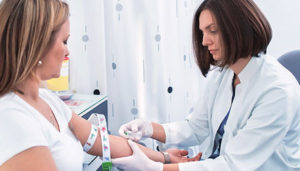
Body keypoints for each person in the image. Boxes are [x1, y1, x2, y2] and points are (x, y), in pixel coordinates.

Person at [0, 0, 201, 170]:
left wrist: (164, 160)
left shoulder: (47, 100)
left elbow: (106, 142)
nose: (68, 52)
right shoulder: (12, 116)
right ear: (38, 44)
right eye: (65, 41)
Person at [114, 0, 300, 170]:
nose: (204, 41)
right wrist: (149, 128)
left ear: (240, 27)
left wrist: (155, 168)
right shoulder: (226, 72)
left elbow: (233, 165)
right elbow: (196, 128)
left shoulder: (277, 91)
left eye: (213, 30)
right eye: (203, 32)